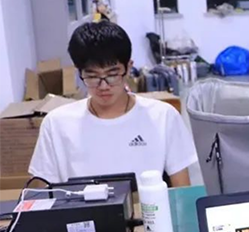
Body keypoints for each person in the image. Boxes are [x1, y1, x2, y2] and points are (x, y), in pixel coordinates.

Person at [29, 21, 197, 186]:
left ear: (128, 68)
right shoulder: (57, 123)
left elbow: (182, 190)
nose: (103, 86)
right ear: (79, 72)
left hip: (147, 205)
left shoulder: (162, 116)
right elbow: (42, 194)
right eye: (92, 76)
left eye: (112, 75)